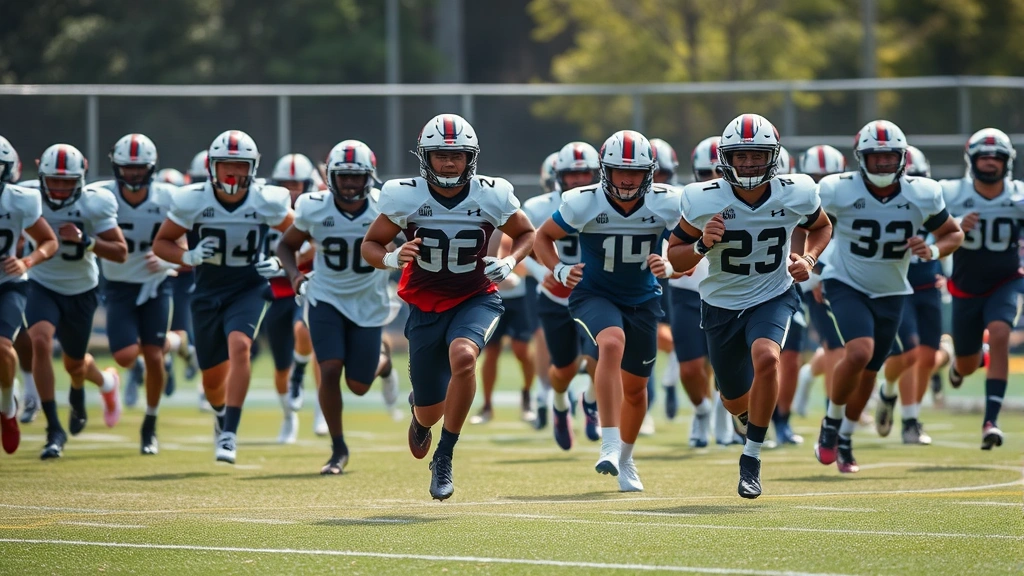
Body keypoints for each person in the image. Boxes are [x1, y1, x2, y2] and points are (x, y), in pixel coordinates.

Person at [360, 113, 536, 500]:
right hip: (424, 305)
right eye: (440, 154)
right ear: (426, 157)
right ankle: (420, 418)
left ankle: (444, 456)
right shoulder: (404, 195)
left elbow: (526, 233)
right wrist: (392, 259)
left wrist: (509, 262)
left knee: (463, 357)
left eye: (457, 155)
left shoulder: (492, 193)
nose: (449, 162)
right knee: (429, 410)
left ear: (470, 157)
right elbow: (370, 245)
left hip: (476, 297)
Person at [667, 114, 832, 498]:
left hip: (773, 293)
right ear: (727, 158)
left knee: (768, 358)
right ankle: (746, 416)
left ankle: (751, 457)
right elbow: (675, 259)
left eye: (757, 156)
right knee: (732, 398)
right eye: (741, 157)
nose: (749, 164)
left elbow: (821, 226)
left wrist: (807, 260)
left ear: (773, 157)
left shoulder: (797, 191)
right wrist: (702, 245)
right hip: (720, 303)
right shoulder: (702, 198)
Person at [536, 130, 681, 492]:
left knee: (636, 389)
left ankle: (627, 458)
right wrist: (558, 270)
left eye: (634, 172)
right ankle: (609, 443)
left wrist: (671, 264)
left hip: (644, 297)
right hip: (594, 293)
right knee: (611, 343)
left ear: (651, 172)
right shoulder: (583, 201)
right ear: (606, 171)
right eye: (618, 171)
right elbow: (542, 237)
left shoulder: (668, 202)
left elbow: (686, 247)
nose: (627, 179)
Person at [814, 120, 962, 473]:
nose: (882, 164)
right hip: (845, 280)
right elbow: (809, 223)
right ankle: (831, 422)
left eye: (888, 157)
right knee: (860, 351)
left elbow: (952, 234)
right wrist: (812, 263)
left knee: (869, 372)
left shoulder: (922, 192)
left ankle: (846, 438)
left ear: (902, 158)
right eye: (875, 157)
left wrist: (932, 249)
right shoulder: (836, 189)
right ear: (861, 158)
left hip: (892, 288)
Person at [152, 130, 293, 464]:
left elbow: (304, 237)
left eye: (240, 165)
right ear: (211, 167)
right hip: (207, 292)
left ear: (253, 168)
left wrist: (280, 260)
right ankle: (220, 415)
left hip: (250, 286)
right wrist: (188, 256)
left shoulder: (265, 200)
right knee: (213, 382)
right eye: (226, 165)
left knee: (240, 345)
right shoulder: (193, 200)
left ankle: (229, 432)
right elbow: (162, 243)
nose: (233, 173)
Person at [276, 140, 400, 474]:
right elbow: (286, 246)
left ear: (369, 177)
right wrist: (294, 278)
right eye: (342, 176)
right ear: (330, 176)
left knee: (358, 385)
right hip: (325, 297)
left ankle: (384, 364)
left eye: (355, 177)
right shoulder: (313, 206)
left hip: (369, 300)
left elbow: (404, 246)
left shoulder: (383, 206)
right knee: (329, 368)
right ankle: (338, 449)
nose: (348, 183)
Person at [27, 144, 128, 460]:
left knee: (74, 364)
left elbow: (120, 251)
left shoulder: (94, 203)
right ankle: (54, 429)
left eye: (67, 181)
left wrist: (86, 241)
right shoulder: (27, 197)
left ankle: (106, 383)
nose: (59, 188)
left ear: (81, 177)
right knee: (40, 342)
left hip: (82, 290)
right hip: (41, 284)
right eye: (53, 181)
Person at [97, 134, 181, 454]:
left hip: (156, 284)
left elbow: (187, 239)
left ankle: (150, 423)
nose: (132, 174)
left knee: (155, 354)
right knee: (125, 356)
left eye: (138, 168)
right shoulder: (100, 196)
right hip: (118, 286)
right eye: (126, 168)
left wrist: (166, 256)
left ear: (152, 167)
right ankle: (119, 382)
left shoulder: (169, 197)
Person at [940, 128, 1024, 450]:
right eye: (983, 157)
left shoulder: (1017, 195)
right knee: (965, 363)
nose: (989, 163)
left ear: (1007, 162)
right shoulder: (951, 193)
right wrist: (954, 226)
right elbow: (928, 233)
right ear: (971, 161)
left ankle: (991, 420)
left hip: (1006, 280)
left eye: (996, 158)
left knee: (1001, 332)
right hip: (964, 287)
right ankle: (968, 361)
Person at [521, 141, 601, 448]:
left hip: (595, 295)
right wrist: (547, 273)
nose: (579, 181)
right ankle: (559, 403)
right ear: (559, 176)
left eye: (585, 174)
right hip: (555, 297)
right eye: (571, 175)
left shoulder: (607, 203)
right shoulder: (540, 207)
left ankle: (591, 402)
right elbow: (516, 249)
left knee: (600, 356)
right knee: (564, 369)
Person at [874, 145, 945, 445]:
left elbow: (949, 234)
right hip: (896, 285)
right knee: (910, 353)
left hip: (928, 283)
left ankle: (891, 394)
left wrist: (944, 267)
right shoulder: (879, 203)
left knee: (927, 356)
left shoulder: (931, 197)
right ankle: (910, 420)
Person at [0, 135, 58, 455]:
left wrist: (26, 260)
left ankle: (7, 409)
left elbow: (49, 242)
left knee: (3, 347)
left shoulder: (19, 199)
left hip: (10, 282)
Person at [256, 152, 320, 444]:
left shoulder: (316, 208)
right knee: (280, 363)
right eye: (285, 184)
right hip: (276, 292)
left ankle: (320, 407)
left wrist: (284, 263)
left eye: (297, 184)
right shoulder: (266, 206)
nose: (292, 190)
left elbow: (316, 248)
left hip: (308, 286)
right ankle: (288, 416)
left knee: (307, 334)